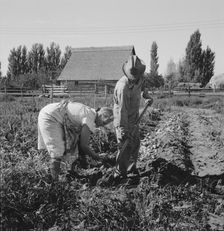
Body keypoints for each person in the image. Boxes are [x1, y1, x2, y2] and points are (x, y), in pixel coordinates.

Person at [38, 100, 113, 180]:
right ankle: (54, 182)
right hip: (51, 116)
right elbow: (84, 145)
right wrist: (96, 157)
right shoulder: (90, 117)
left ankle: (74, 170)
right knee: (57, 151)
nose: (102, 125)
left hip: (53, 113)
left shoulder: (89, 112)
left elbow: (80, 140)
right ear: (101, 115)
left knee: (66, 146)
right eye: (104, 122)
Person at [113, 54, 153, 178]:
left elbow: (143, 89)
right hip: (122, 120)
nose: (135, 79)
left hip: (134, 117)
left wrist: (147, 97)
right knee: (124, 146)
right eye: (133, 77)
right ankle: (120, 174)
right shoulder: (122, 87)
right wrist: (123, 129)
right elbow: (121, 110)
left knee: (135, 143)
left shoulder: (140, 78)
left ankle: (131, 169)